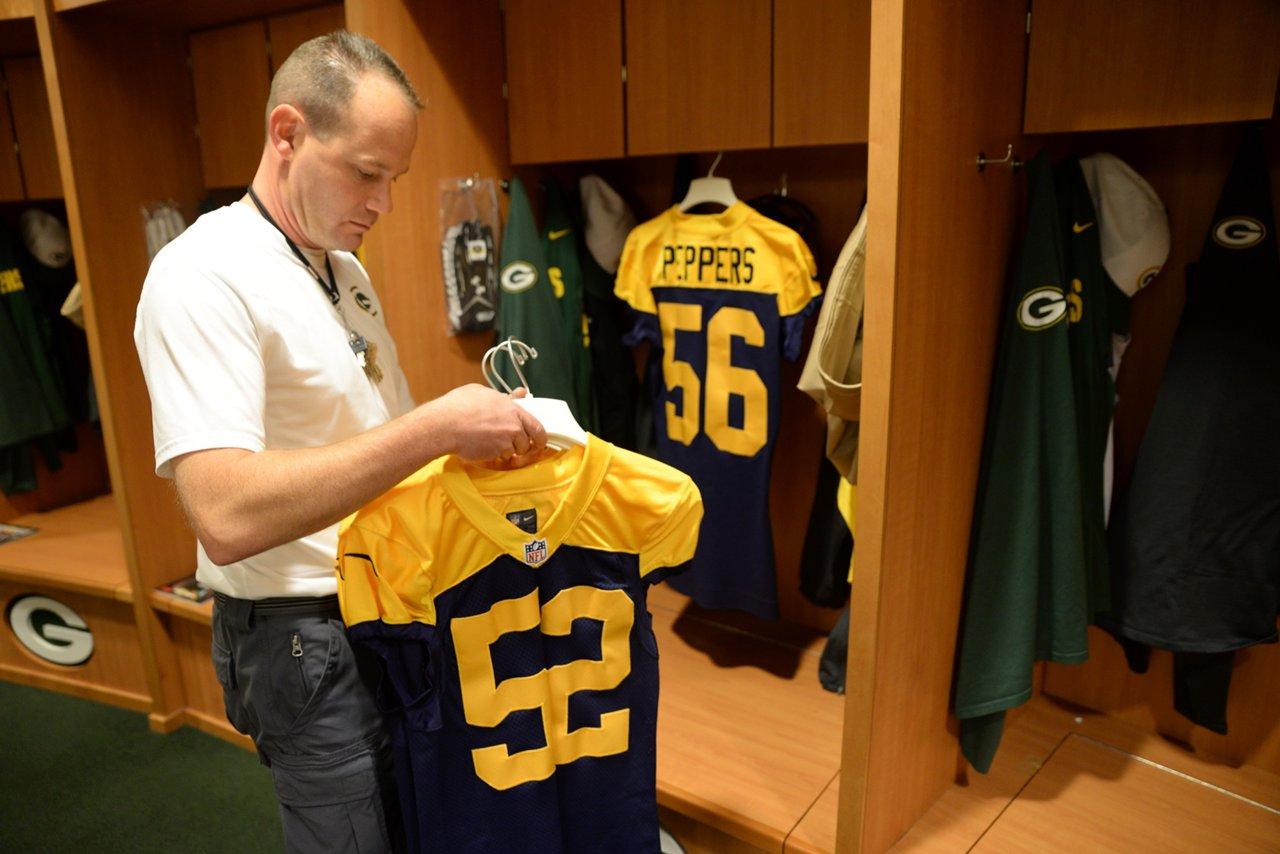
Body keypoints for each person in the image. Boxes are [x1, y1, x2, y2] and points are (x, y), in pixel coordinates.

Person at [134, 31, 545, 853]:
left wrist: (464, 440)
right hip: (302, 640)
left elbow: (364, 434)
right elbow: (223, 511)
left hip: (387, 607)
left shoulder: (338, 267)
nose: (384, 202)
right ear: (286, 133)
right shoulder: (200, 275)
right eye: (366, 172)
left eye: (393, 177)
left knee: (419, 826)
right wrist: (434, 427)